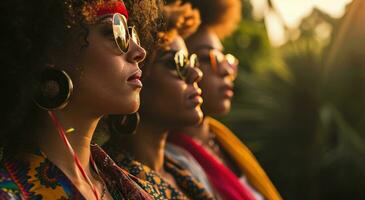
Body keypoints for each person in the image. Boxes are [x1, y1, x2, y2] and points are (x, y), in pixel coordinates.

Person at [0, 0, 161, 199]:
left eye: (132, 33)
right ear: (51, 48)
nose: (139, 52)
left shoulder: (145, 186)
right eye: (115, 32)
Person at [167, 0, 283, 199]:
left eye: (225, 59)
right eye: (207, 58)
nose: (226, 70)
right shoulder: (171, 163)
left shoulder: (224, 142)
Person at [101, 1, 214, 199]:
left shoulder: (184, 171)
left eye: (191, 61)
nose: (196, 73)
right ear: (137, 75)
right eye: (176, 62)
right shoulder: (110, 180)